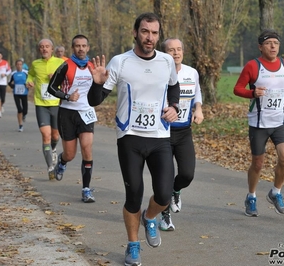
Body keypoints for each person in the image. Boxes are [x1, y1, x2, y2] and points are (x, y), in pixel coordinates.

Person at [87, 12, 180, 266]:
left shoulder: (166, 62)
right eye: (145, 32)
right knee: (134, 194)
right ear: (135, 33)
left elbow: (174, 86)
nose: (149, 37)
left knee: (163, 195)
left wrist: (174, 106)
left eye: (154, 33)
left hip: (160, 136)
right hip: (130, 137)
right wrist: (97, 84)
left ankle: (150, 218)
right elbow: (94, 101)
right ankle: (133, 245)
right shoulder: (120, 63)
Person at [233, 29, 284, 217]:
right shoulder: (253, 66)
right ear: (261, 47)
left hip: (280, 120)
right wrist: (251, 93)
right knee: (258, 164)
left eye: (276, 43)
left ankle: (275, 192)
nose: (273, 46)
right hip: (259, 122)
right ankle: (251, 196)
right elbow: (237, 89)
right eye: (268, 43)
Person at [158, 38, 204, 231]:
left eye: (179, 49)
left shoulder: (191, 72)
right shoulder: (158, 73)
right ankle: (165, 216)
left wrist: (198, 109)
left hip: (184, 131)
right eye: (171, 50)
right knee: (165, 177)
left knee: (187, 174)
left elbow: (197, 94)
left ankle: (176, 191)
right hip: (163, 132)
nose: (176, 53)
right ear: (164, 53)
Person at [47, 34, 97, 202]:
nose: (81, 48)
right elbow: (51, 88)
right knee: (70, 154)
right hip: (67, 113)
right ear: (73, 48)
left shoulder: (92, 66)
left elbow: (101, 88)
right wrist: (67, 96)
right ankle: (61, 162)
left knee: (87, 149)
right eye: (77, 46)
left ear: (88, 48)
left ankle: (86, 189)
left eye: (84, 45)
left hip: (86, 112)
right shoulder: (65, 66)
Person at [26, 39, 65, 180]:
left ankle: (53, 149)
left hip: (56, 104)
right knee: (46, 135)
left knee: (55, 136)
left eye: (47, 46)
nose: (44, 49)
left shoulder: (60, 63)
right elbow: (30, 74)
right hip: (41, 104)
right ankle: (50, 167)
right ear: (39, 49)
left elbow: (67, 80)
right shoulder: (35, 64)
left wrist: (56, 79)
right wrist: (28, 81)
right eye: (41, 47)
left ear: (52, 49)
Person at [8, 59, 29, 132]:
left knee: (25, 110)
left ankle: (24, 115)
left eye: (20, 64)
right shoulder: (13, 73)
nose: (19, 66)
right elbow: (9, 82)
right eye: (18, 64)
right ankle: (20, 125)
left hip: (24, 93)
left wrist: (28, 85)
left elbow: (30, 82)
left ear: (22, 65)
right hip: (16, 93)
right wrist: (12, 86)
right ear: (16, 65)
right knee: (19, 109)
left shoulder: (26, 73)